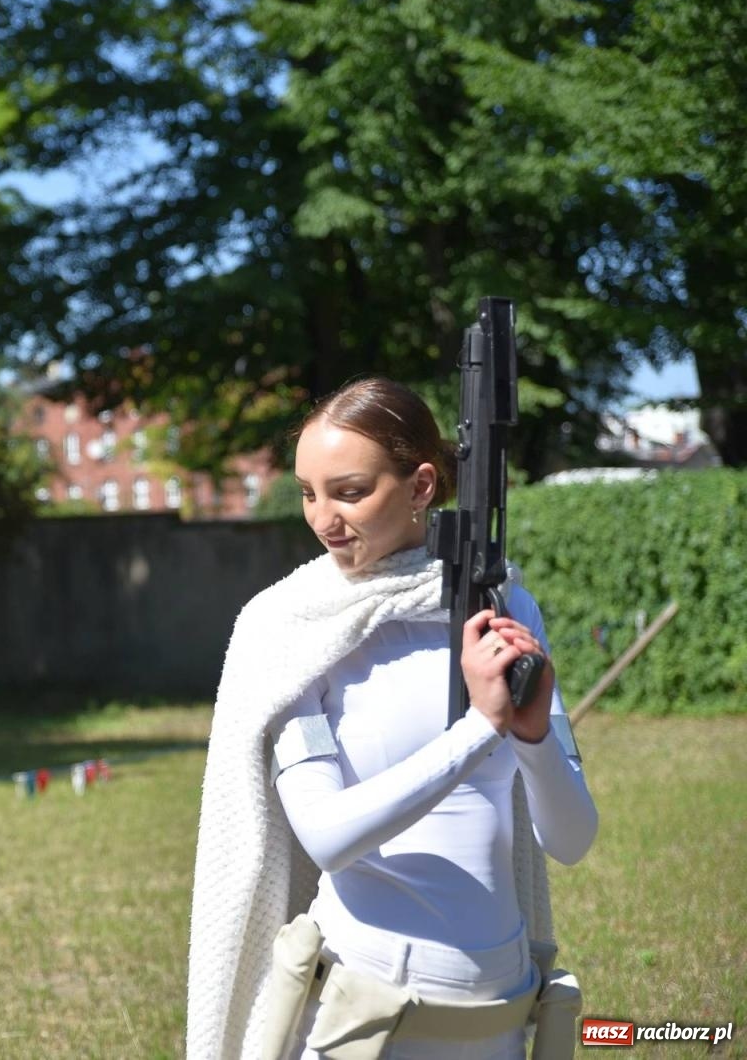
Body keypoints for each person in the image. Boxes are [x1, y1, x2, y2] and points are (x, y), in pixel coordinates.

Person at [186, 378, 597, 1059]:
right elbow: (327, 837)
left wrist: (531, 737)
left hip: (497, 1008)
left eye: (349, 491)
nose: (323, 518)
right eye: (308, 492)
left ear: (421, 486)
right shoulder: (291, 630)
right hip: (360, 1013)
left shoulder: (505, 607)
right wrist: (479, 730)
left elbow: (572, 838)